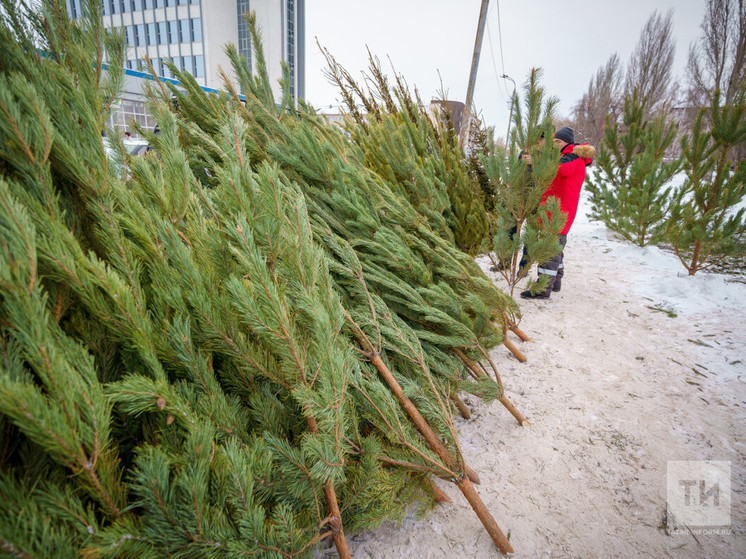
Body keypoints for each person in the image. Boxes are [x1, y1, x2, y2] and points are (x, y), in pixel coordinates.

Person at [521, 126, 595, 299]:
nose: (554, 145)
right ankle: (555, 283)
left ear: (566, 142)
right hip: (556, 208)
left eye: (557, 142)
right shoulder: (566, 156)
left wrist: (536, 161)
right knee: (556, 249)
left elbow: (559, 169)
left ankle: (542, 288)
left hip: (559, 211)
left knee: (549, 249)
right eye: (553, 141)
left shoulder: (573, 157)